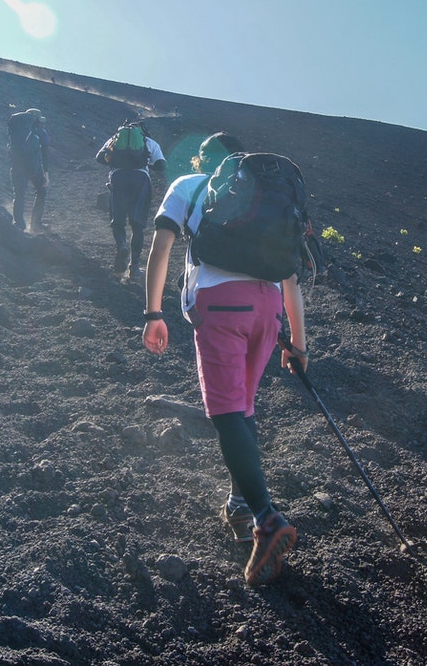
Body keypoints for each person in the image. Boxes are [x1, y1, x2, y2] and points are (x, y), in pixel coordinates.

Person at [142, 132, 308, 586]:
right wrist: (297, 341)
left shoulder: (188, 186)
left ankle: (266, 518)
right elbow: (290, 271)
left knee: (227, 412)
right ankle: (238, 504)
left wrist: (153, 312)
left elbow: (163, 247)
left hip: (221, 304)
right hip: (268, 307)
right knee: (244, 408)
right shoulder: (262, 194)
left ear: (203, 160)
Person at [96, 121, 166, 278]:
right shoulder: (149, 142)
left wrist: (116, 161)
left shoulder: (115, 139)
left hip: (118, 177)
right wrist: (146, 163)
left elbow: (99, 158)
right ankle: (134, 267)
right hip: (140, 179)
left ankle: (121, 245)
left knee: (118, 220)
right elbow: (161, 165)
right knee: (138, 225)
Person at [7, 107, 51, 232]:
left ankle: (19, 224)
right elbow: (45, 154)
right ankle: (36, 224)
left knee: (19, 194)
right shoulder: (40, 132)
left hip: (17, 167)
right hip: (33, 169)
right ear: (37, 120)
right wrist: (46, 173)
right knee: (41, 191)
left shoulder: (16, 132)